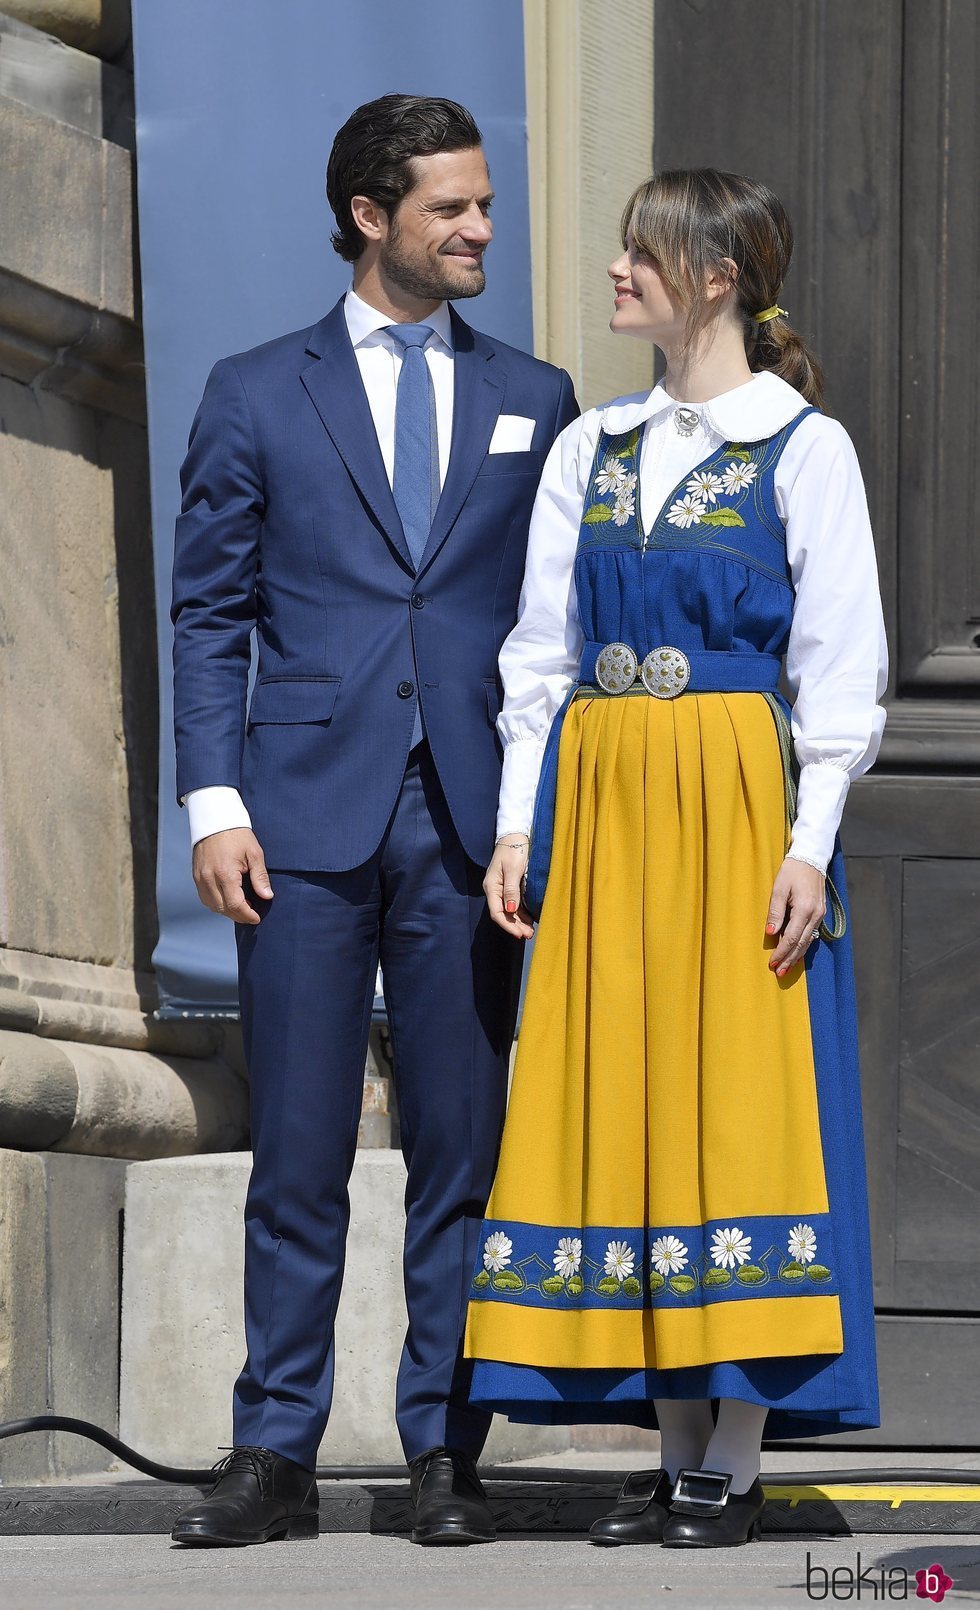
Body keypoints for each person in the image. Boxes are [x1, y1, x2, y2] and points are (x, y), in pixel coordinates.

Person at [168, 93, 578, 1548]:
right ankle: (273, 1448)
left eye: (483, 205)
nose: (481, 229)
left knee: (462, 1151)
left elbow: (551, 627)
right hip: (298, 822)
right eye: (451, 209)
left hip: (478, 836)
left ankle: (444, 1451)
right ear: (369, 216)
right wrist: (214, 800)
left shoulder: (543, 396)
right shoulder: (253, 391)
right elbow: (210, 613)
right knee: (295, 1145)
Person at [464, 168, 887, 1549]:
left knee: (733, 1098)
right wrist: (525, 821)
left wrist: (809, 846)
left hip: (730, 805)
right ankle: (675, 1440)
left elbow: (840, 670)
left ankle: (735, 1458)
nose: (613, 272)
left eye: (638, 253)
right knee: (631, 1097)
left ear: (713, 275)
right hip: (607, 804)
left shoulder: (800, 447)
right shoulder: (598, 444)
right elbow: (539, 652)